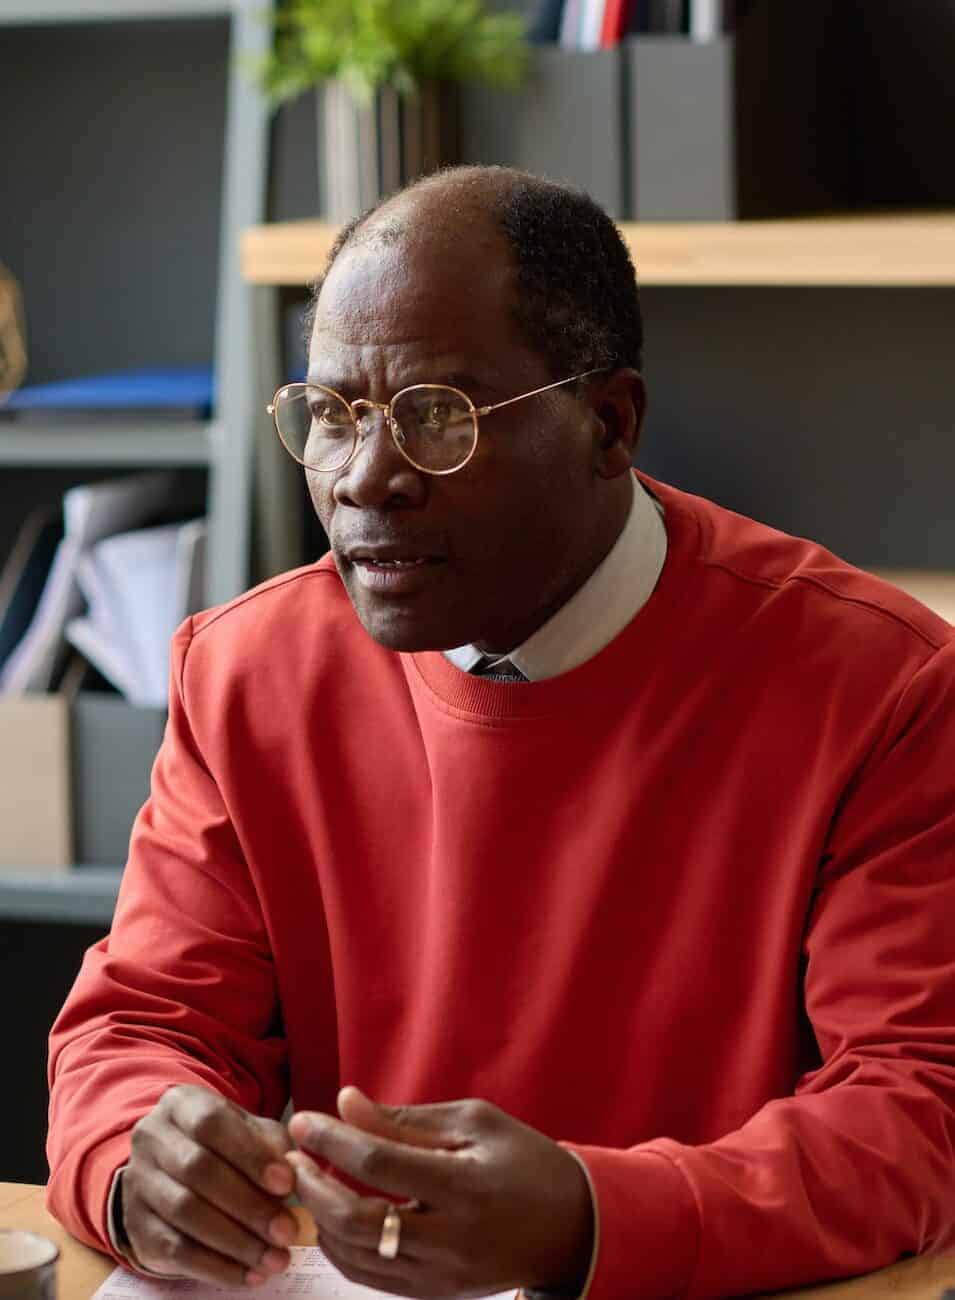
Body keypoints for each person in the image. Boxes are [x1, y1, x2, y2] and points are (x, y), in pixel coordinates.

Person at [47, 166, 955, 1300]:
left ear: (609, 422)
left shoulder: (883, 686)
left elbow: (919, 1107)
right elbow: (137, 1022)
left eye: (438, 416)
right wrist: (143, 1159)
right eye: (331, 415)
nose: (366, 479)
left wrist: (587, 1217)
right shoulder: (245, 673)